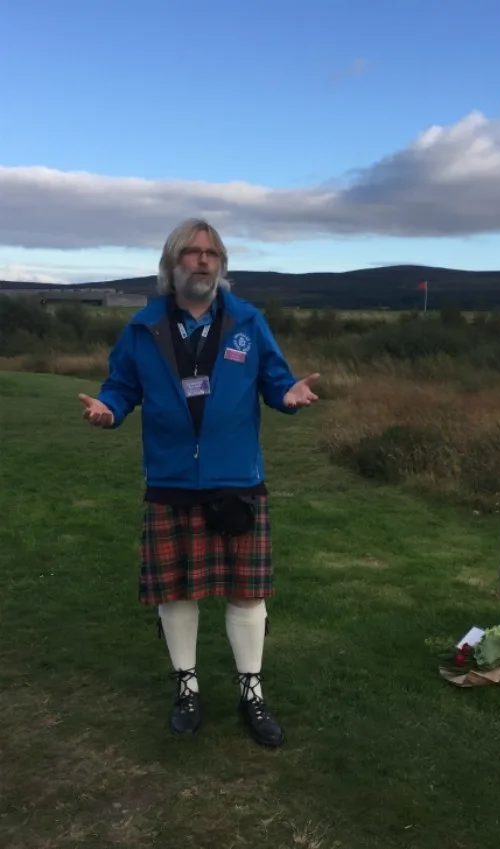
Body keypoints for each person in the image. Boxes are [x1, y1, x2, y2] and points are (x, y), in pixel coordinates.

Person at [78, 218, 320, 746]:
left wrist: (289, 396)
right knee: (177, 594)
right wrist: (109, 410)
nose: (203, 260)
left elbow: (275, 379)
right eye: (191, 252)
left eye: (211, 252)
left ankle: (250, 691)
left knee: (247, 594)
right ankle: (186, 686)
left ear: (222, 264)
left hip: (236, 478)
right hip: (170, 479)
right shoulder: (143, 328)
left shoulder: (247, 322)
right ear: (172, 265)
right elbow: (121, 385)